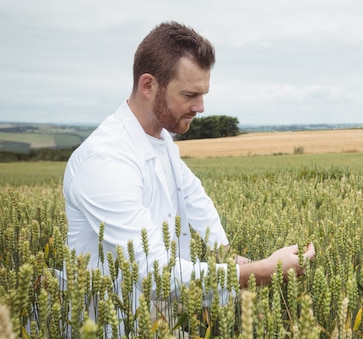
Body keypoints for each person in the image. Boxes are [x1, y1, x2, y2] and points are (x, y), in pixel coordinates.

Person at [63, 21, 315, 305]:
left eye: (203, 94)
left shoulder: (161, 141)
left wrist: (225, 253)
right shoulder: (105, 160)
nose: (201, 107)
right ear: (149, 85)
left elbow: (194, 197)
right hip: (111, 334)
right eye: (189, 95)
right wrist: (262, 272)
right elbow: (154, 275)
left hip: (159, 322)